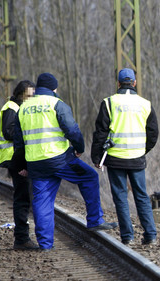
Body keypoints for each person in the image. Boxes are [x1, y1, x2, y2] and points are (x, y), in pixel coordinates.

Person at [12, 72, 116, 250]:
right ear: (53, 88)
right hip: (59, 159)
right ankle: (94, 220)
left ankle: (45, 244)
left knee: (42, 201)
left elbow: (18, 142)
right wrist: (79, 147)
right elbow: (72, 129)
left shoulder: (23, 108)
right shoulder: (56, 104)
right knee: (89, 177)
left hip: (36, 163)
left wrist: (22, 165)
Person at [92, 68, 159, 246]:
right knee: (141, 196)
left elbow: (100, 132)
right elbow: (153, 133)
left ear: (118, 84)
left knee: (121, 197)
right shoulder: (146, 104)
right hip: (137, 158)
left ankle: (127, 237)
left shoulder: (109, 103)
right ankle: (151, 235)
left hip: (115, 158)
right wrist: (143, 149)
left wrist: (97, 157)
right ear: (134, 83)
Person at [0, 80, 39, 250]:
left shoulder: (20, 108)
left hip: (20, 158)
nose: (31, 99)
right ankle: (21, 238)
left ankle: (23, 237)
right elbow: (8, 132)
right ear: (20, 94)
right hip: (15, 159)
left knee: (25, 198)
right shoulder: (11, 108)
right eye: (29, 96)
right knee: (22, 199)